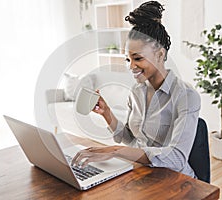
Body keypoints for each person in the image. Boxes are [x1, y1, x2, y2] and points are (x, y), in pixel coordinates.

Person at [72, 1, 201, 178]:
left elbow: (177, 158)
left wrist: (116, 151)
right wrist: (107, 113)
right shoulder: (136, 91)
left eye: (137, 58)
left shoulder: (186, 96)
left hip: (176, 181)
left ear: (160, 54)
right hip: (142, 174)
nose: (131, 66)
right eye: (128, 60)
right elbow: (129, 138)